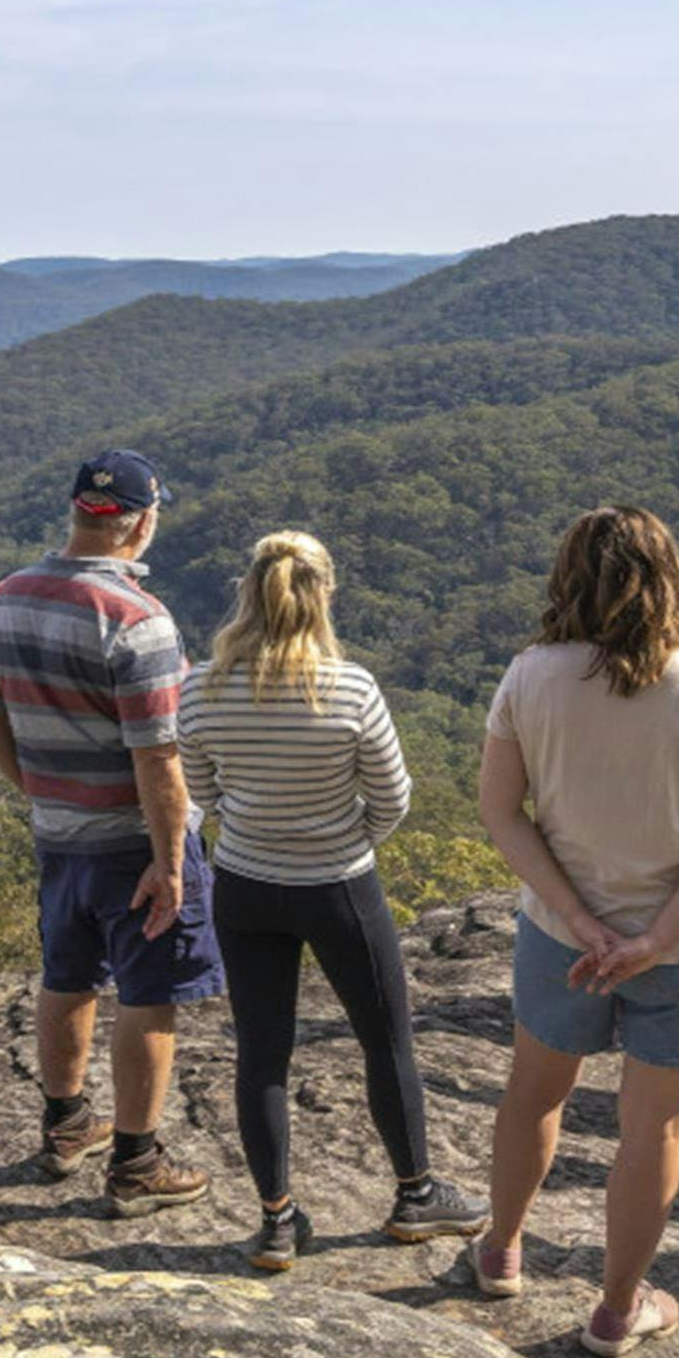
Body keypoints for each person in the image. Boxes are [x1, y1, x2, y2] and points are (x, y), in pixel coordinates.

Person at [476, 506, 679, 1358]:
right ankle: (615, 1308)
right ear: (669, 578)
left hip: (562, 936)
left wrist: (577, 918)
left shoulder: (530, 676)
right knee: (654, 1135)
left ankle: (499, 1251)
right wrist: (651, 937)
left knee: (534, 1094)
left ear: (569, 577)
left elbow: (502, 812)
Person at [179, 531, 488, 1271]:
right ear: (323, 596)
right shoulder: (349, 687)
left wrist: (260, 824)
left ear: (248, 593)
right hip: (340, 884)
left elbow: (201, 794)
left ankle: (278, 1221)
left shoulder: (201, 688)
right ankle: (415, 1197)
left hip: (247, 885)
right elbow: (394, 798)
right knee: (385, 1040)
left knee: (261, 1054)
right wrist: (347, 839)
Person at [0, 448, 224, 1218]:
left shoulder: (6, 597)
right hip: (128, 843)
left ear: (78, 512)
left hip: (58, 833)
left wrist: (38, 790)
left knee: (67, 973)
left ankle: (66, 1123)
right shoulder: (138, 621)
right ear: (142, 525)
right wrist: (172, 858)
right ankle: (138, 1164)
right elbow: (159, 758)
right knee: (151, 995)